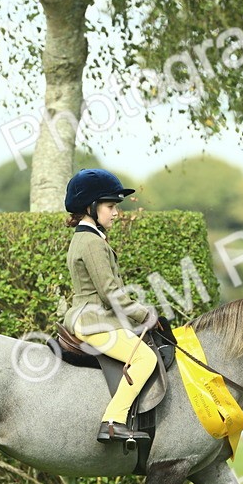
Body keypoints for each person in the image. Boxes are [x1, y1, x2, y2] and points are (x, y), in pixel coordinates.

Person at [61, 168, 157, 443]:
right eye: (110, 206)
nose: (116, 213)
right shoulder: (92, 243)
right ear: (90, 207)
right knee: (145, 359)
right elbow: (110, 293)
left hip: (92, 317)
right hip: (94, 320)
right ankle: (113, 421)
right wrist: (144, 314)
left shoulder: (87, 238)